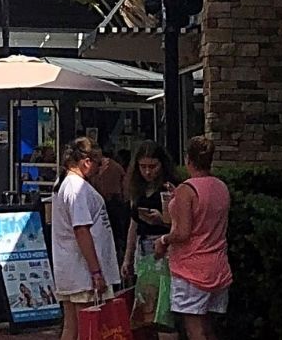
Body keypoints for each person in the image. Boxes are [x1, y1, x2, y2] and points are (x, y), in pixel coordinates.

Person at [51, 136, 121, 340]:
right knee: (88, 328)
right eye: (98, 164)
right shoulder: (77, 188)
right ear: (87, 162)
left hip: (69, 267)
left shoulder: (65, 183)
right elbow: (81, 230)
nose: (99, 169)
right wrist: (96, 271)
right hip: (83, 270)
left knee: (71, 327)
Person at [165, 135, 233, 339]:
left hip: (191, 269)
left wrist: (163, 240)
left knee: (194, 330)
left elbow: (183, 232)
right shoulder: (221, 187)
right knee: (208, 328)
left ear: (188, 159)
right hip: (218, 265)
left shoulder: (187, 190)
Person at [121, 142, 177, 339]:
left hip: (165, 250)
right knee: (145, 312)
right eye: (143, 167)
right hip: (143, 250)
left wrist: (162, 220)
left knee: (164, 312)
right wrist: (127, 258)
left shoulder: (169, 187)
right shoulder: (137, 189)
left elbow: (180, 225)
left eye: (152, 167)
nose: (147, 172)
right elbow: (133, 224)